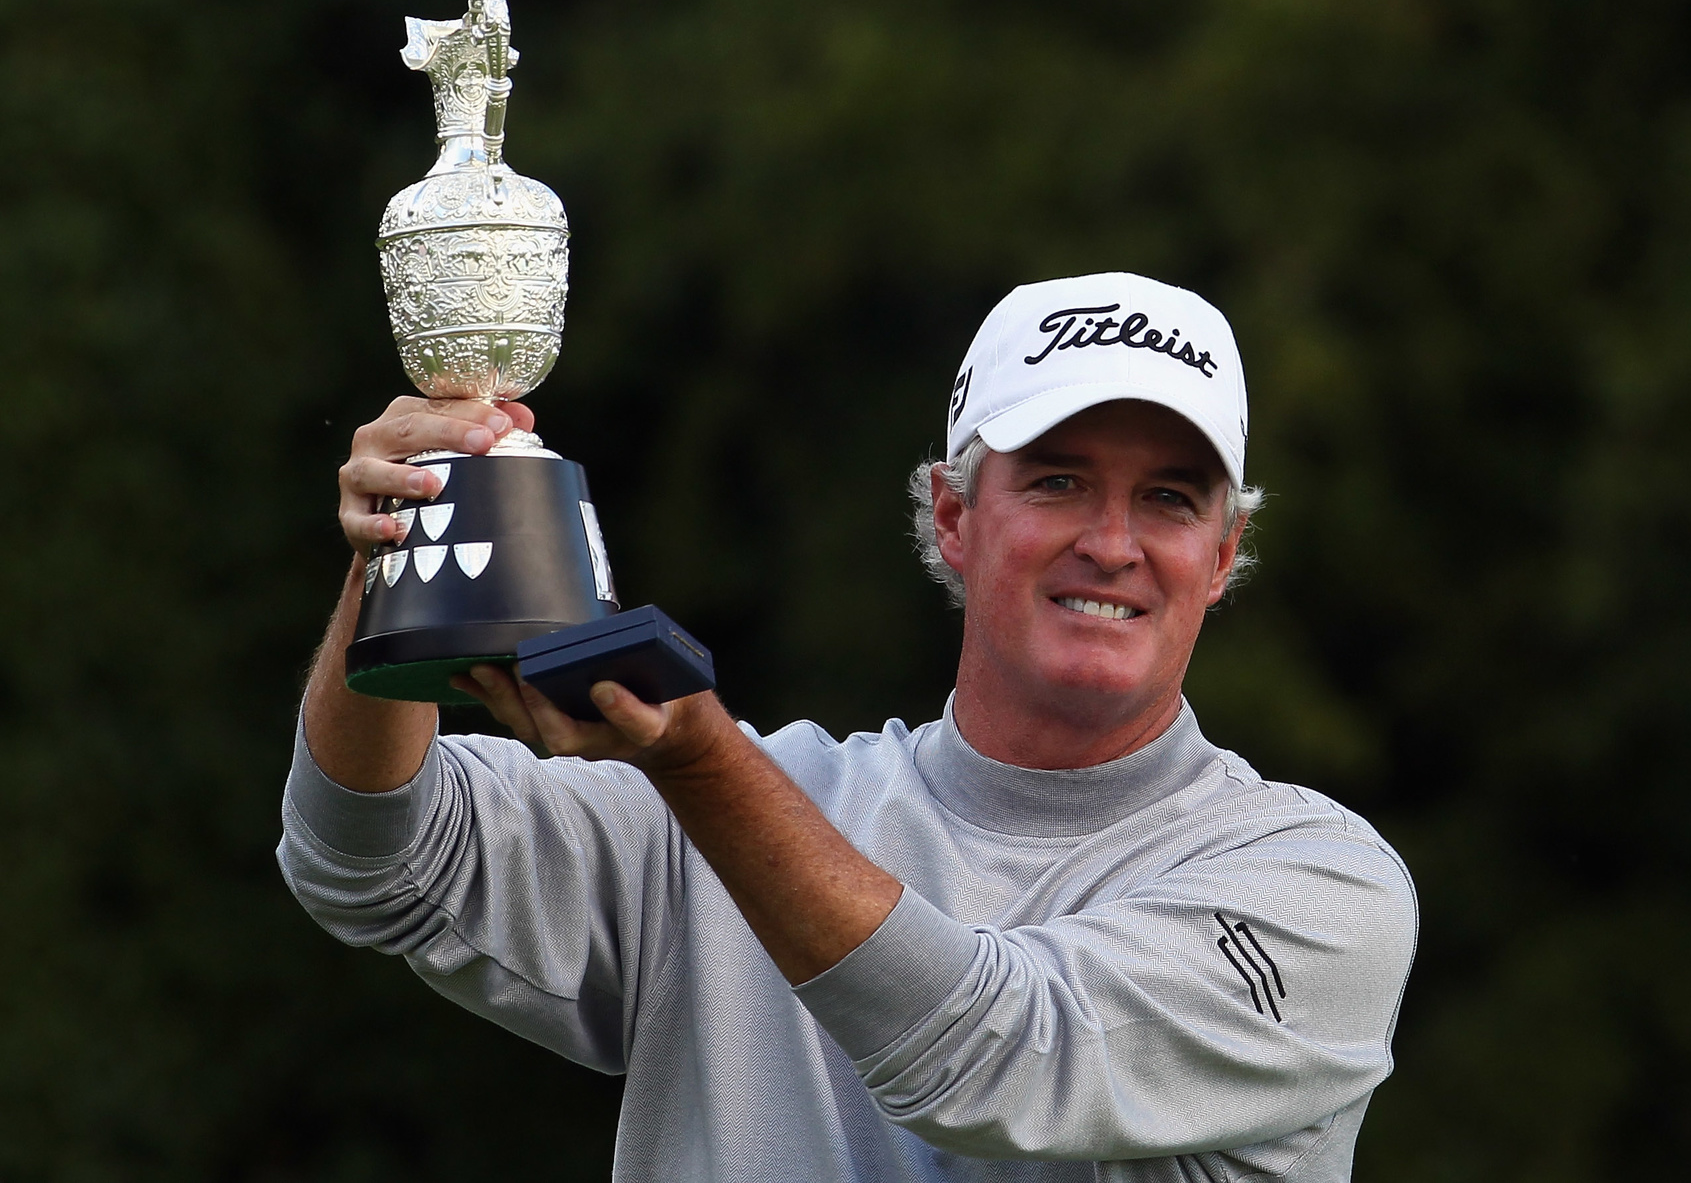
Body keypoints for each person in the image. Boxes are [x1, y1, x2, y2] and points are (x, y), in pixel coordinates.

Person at [281, 271, 1417, 1181]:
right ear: (955, 516)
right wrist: (397, 561)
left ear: (1220, 559)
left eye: (1170, 497)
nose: (1113, 542)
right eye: (1060, 480)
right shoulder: (745, 807)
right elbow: (370, 857)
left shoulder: (1317, 887)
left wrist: (701, 758)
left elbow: (996, 1058)